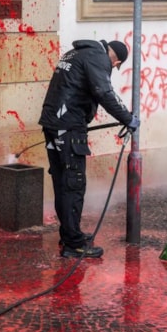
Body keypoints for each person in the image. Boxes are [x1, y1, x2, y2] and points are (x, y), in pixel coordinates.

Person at [38, 39, 139, 258]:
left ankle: (69, 235)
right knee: (74, 184)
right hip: (68, 128)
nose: (112, 67)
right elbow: (104, 92)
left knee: (62, 182)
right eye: (115, 66)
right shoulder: (97, 58)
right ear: (116, 61)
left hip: (53, 125)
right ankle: (74, 245)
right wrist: (127, 118)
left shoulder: (76, 53)